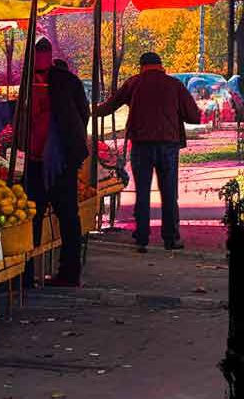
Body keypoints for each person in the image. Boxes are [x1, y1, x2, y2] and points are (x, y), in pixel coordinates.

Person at [96, 52, 200, 252]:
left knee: (142, 192)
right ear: (160, 65)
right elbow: (193, 116)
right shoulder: (174, 85)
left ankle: (142, 238)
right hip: (168, 146)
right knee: (169, 193)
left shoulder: (133, 83)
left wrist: (89, 110)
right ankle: (171, 238)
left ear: (141, 66)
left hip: (141, 144)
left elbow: (110, 106)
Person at [23, 38, 89, 287]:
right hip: (36, 159)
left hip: (59, 160)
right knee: (34, 216)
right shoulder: (28, 81)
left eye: (41, 54)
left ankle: (67, 273)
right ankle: (28, 273)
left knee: (65, 217)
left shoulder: (65, 81)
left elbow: (81, 114)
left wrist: (64, 145)